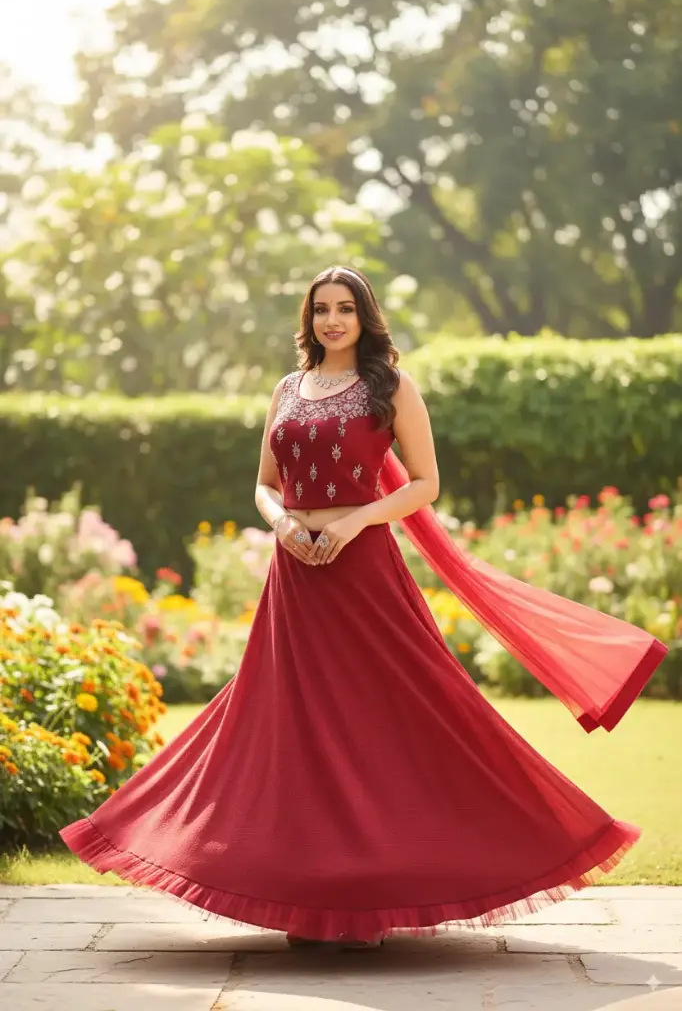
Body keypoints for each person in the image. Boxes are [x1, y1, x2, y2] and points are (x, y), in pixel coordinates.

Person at [60, 266, 667, 950]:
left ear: (364, 317)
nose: (332, 321)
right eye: (321, 309)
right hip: (295, 579)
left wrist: (352, 523)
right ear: (308, 318)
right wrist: (285, 524)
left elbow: (426, 483)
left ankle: (383, 893)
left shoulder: (391, 387)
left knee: (392, 717)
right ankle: (307, 899)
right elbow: (263, 484)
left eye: (345, 309)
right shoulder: (286, 389)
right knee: (292, 725)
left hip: (364, 574)